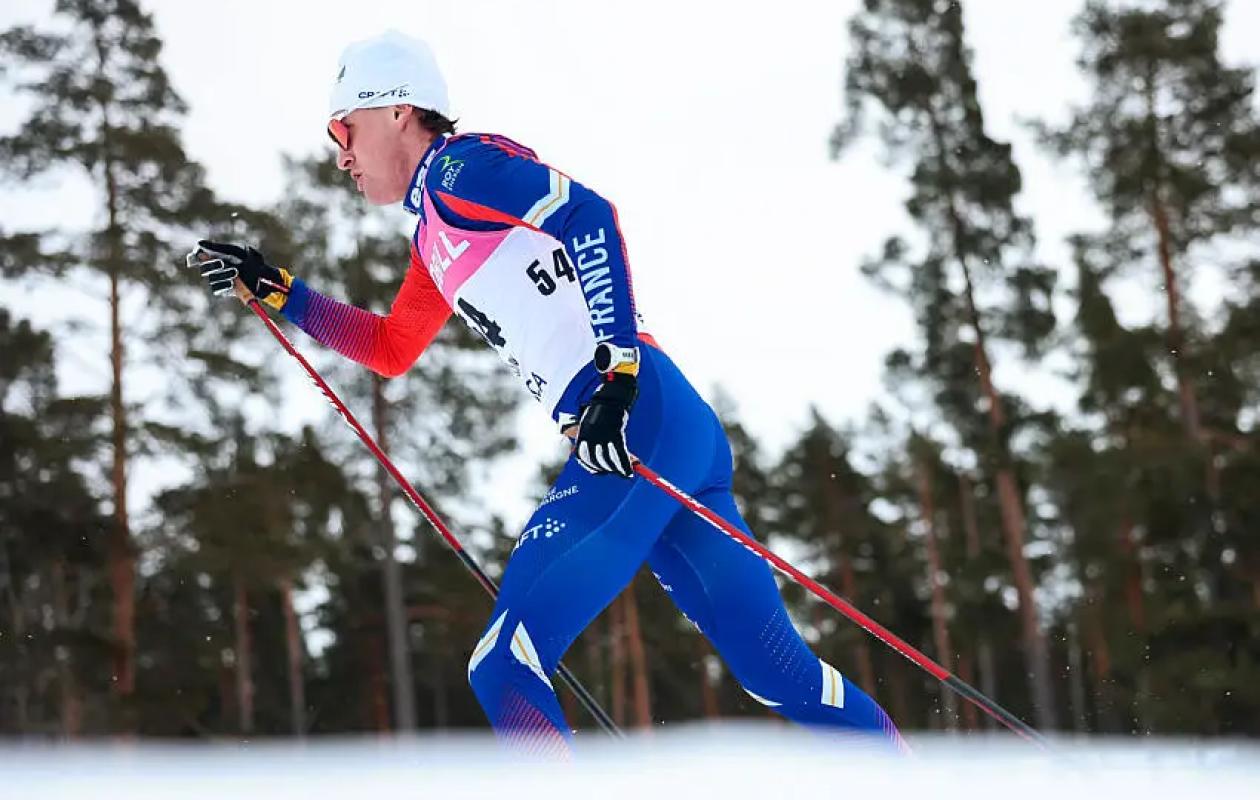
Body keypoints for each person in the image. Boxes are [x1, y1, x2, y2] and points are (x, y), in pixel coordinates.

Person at [191, 30, 905, 755]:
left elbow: (587, 213)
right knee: (776, 672)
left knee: (503, 664)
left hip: (632, 418)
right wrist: (280, 292)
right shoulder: (433, 233)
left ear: (399, 111)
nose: (340, 152)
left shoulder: (459, 172)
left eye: (344, 126)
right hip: (662, 423)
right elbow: (390, 347)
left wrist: (617, 377)